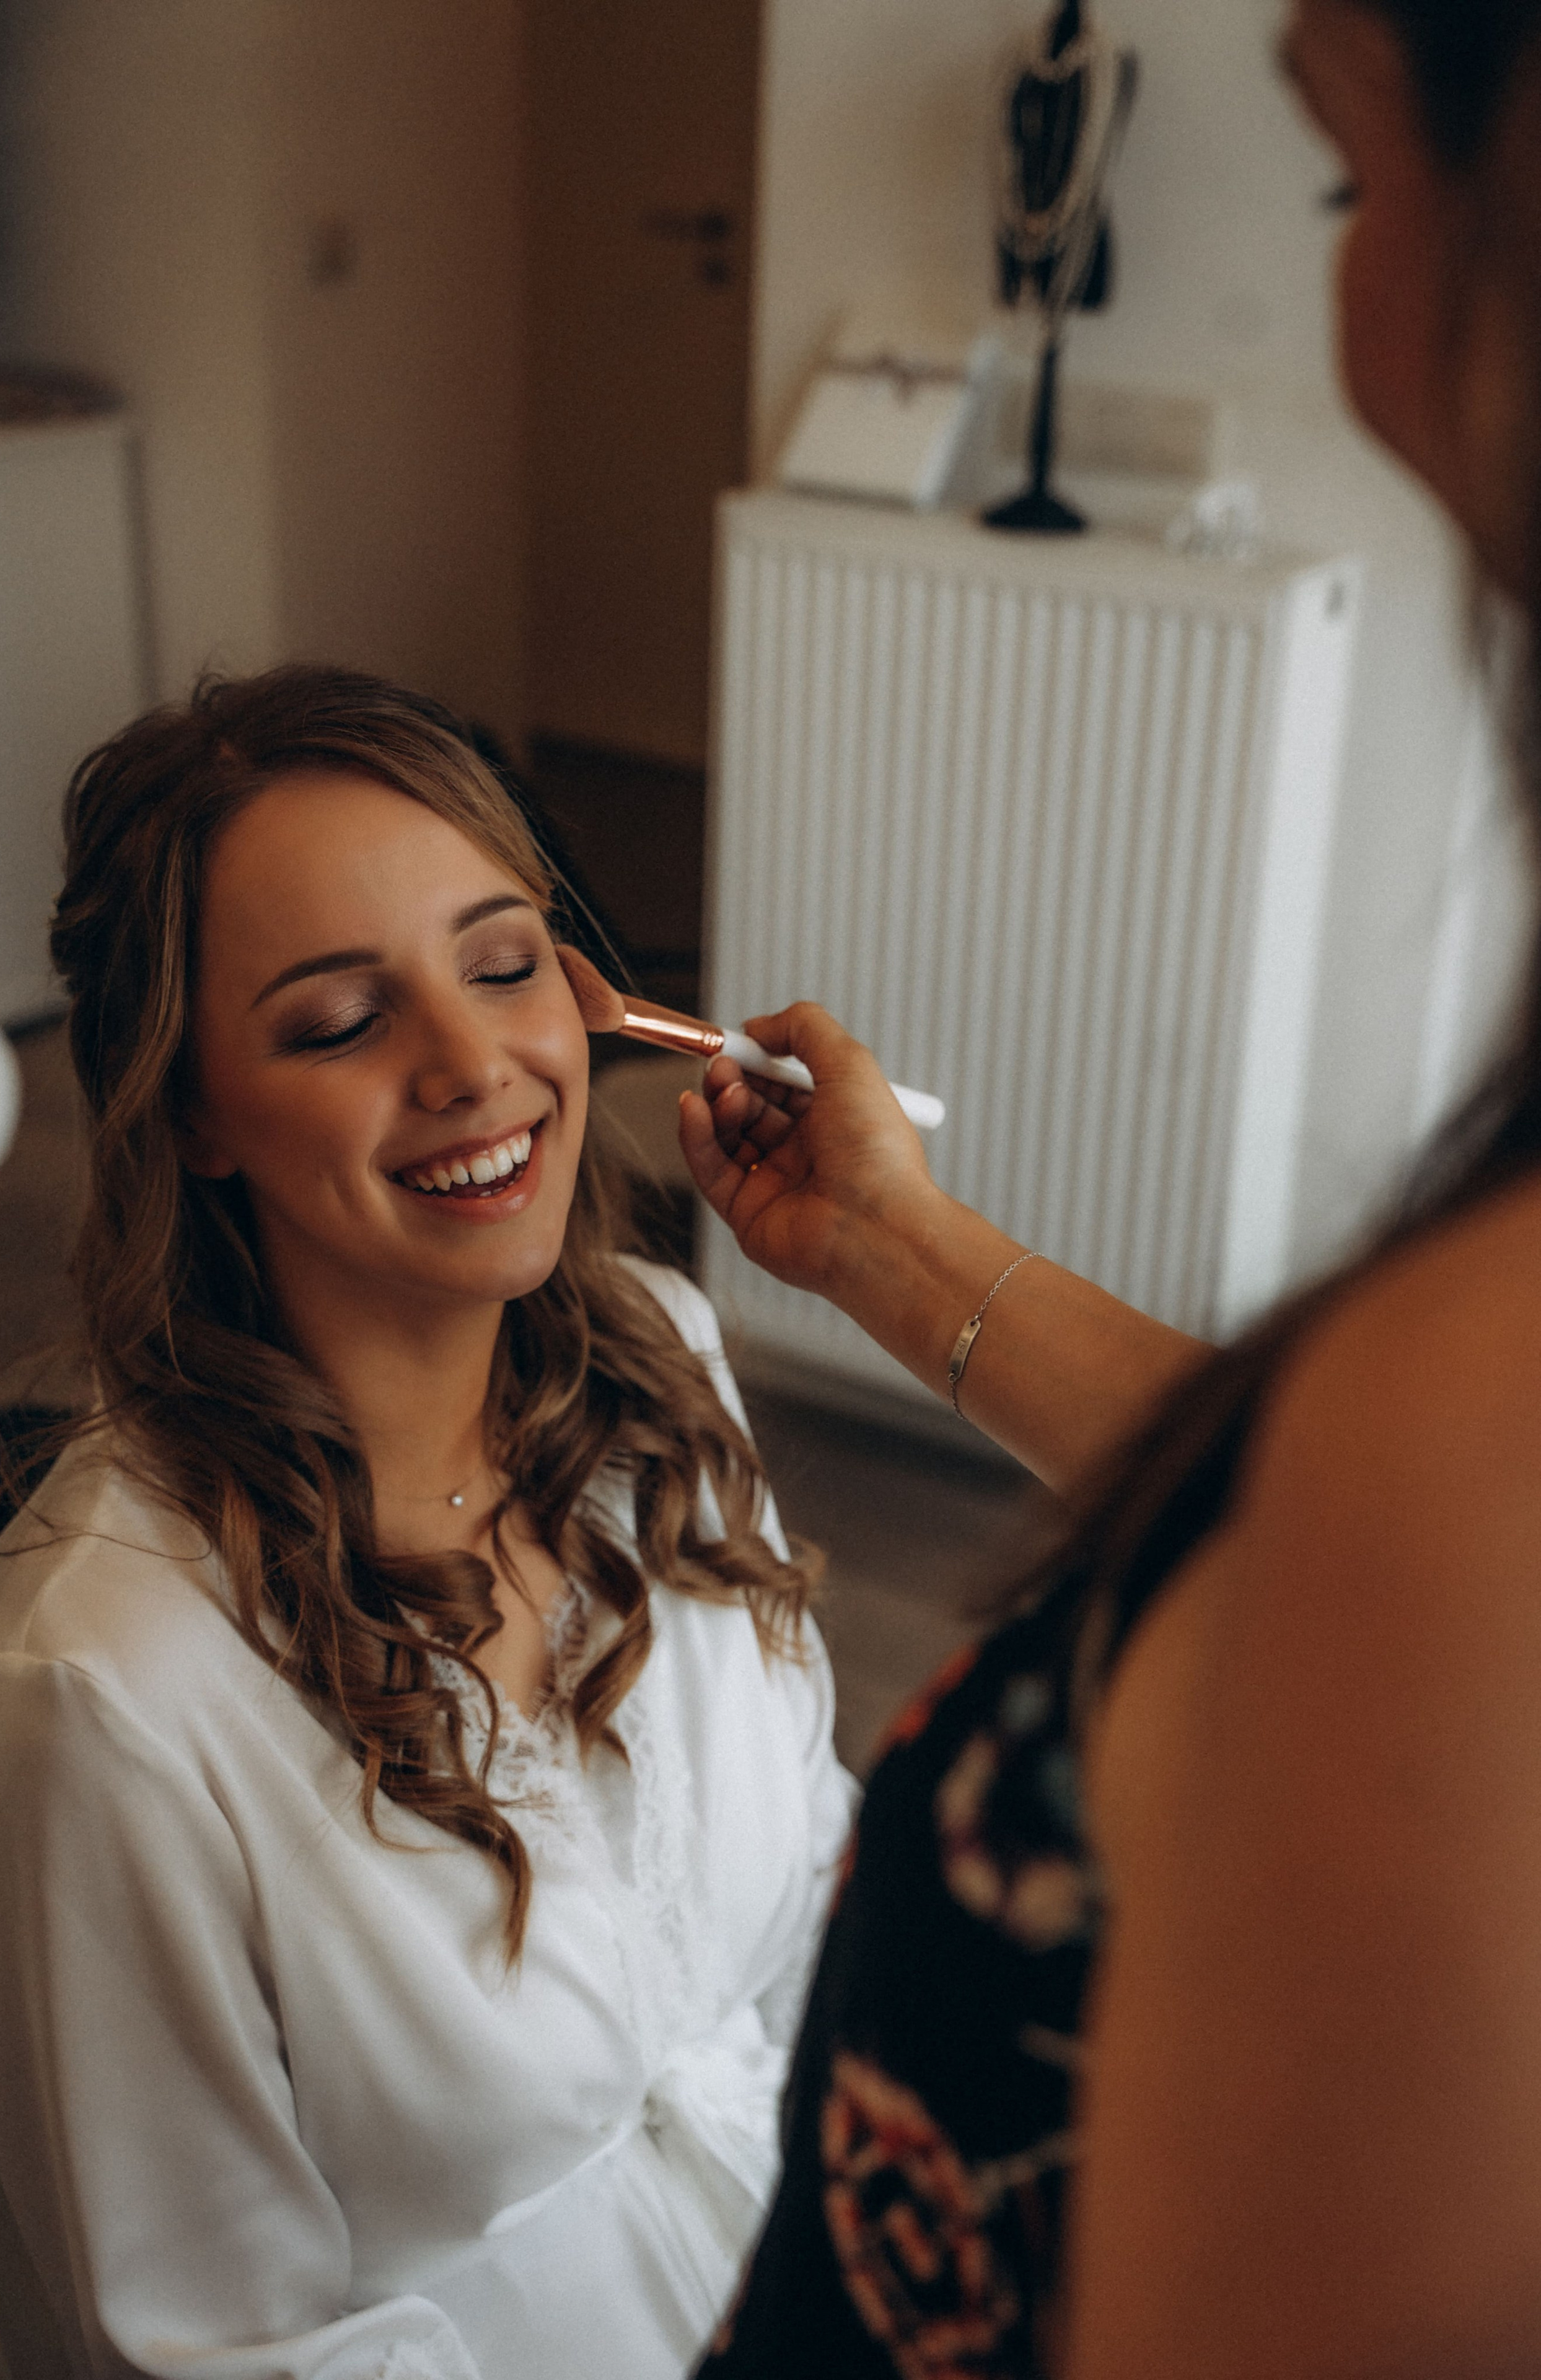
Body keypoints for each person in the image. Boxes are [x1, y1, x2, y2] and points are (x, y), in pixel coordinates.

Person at [683, 2, 1541, 2374]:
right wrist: (884, 1243)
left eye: (1357, 185)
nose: (1355, 321)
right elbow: (1270, 1491)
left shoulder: (1465, 1449)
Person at [0, 667, 856, 2380]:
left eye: (505, 963)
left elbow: (813, 1883)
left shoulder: (669, 1362)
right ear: (195, 1108)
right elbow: (217, 2347)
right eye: (338, 1021)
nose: (471, 1063)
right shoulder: (100, 1689)